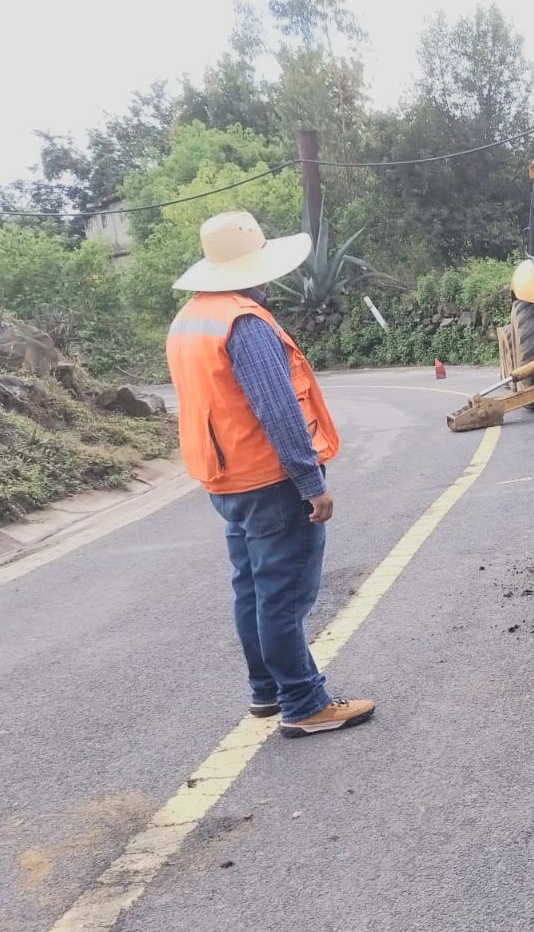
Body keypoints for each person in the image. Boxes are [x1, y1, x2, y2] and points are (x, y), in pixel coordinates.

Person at [166, 211, 375, 738]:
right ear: (255, 267)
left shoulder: (191, 319)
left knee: (253, 589)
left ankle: (267, 690)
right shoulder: (246, 323)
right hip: (271, 481)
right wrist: (312, 483)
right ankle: (303, 703)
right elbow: (278, 412)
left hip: (226, 477)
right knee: (284, 595)